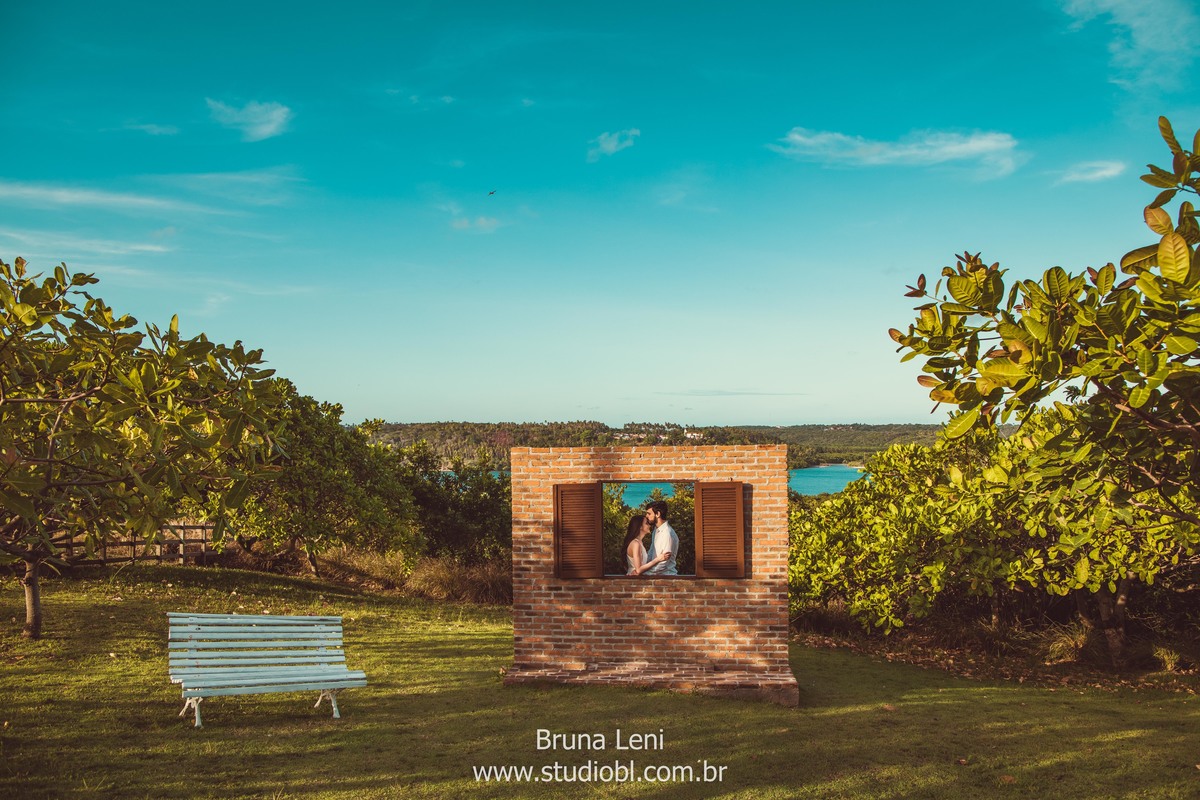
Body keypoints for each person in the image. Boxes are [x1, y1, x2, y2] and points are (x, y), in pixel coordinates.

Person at [643, 500, 678, 575]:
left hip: (667, 579)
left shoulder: (667, 534)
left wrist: (646, 573)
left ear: (658, 514)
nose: (646, 516)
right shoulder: (656, 530)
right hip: (657, 578)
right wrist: (642, 568)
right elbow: (651, 553)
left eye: (649, 513)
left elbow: (663, 564)